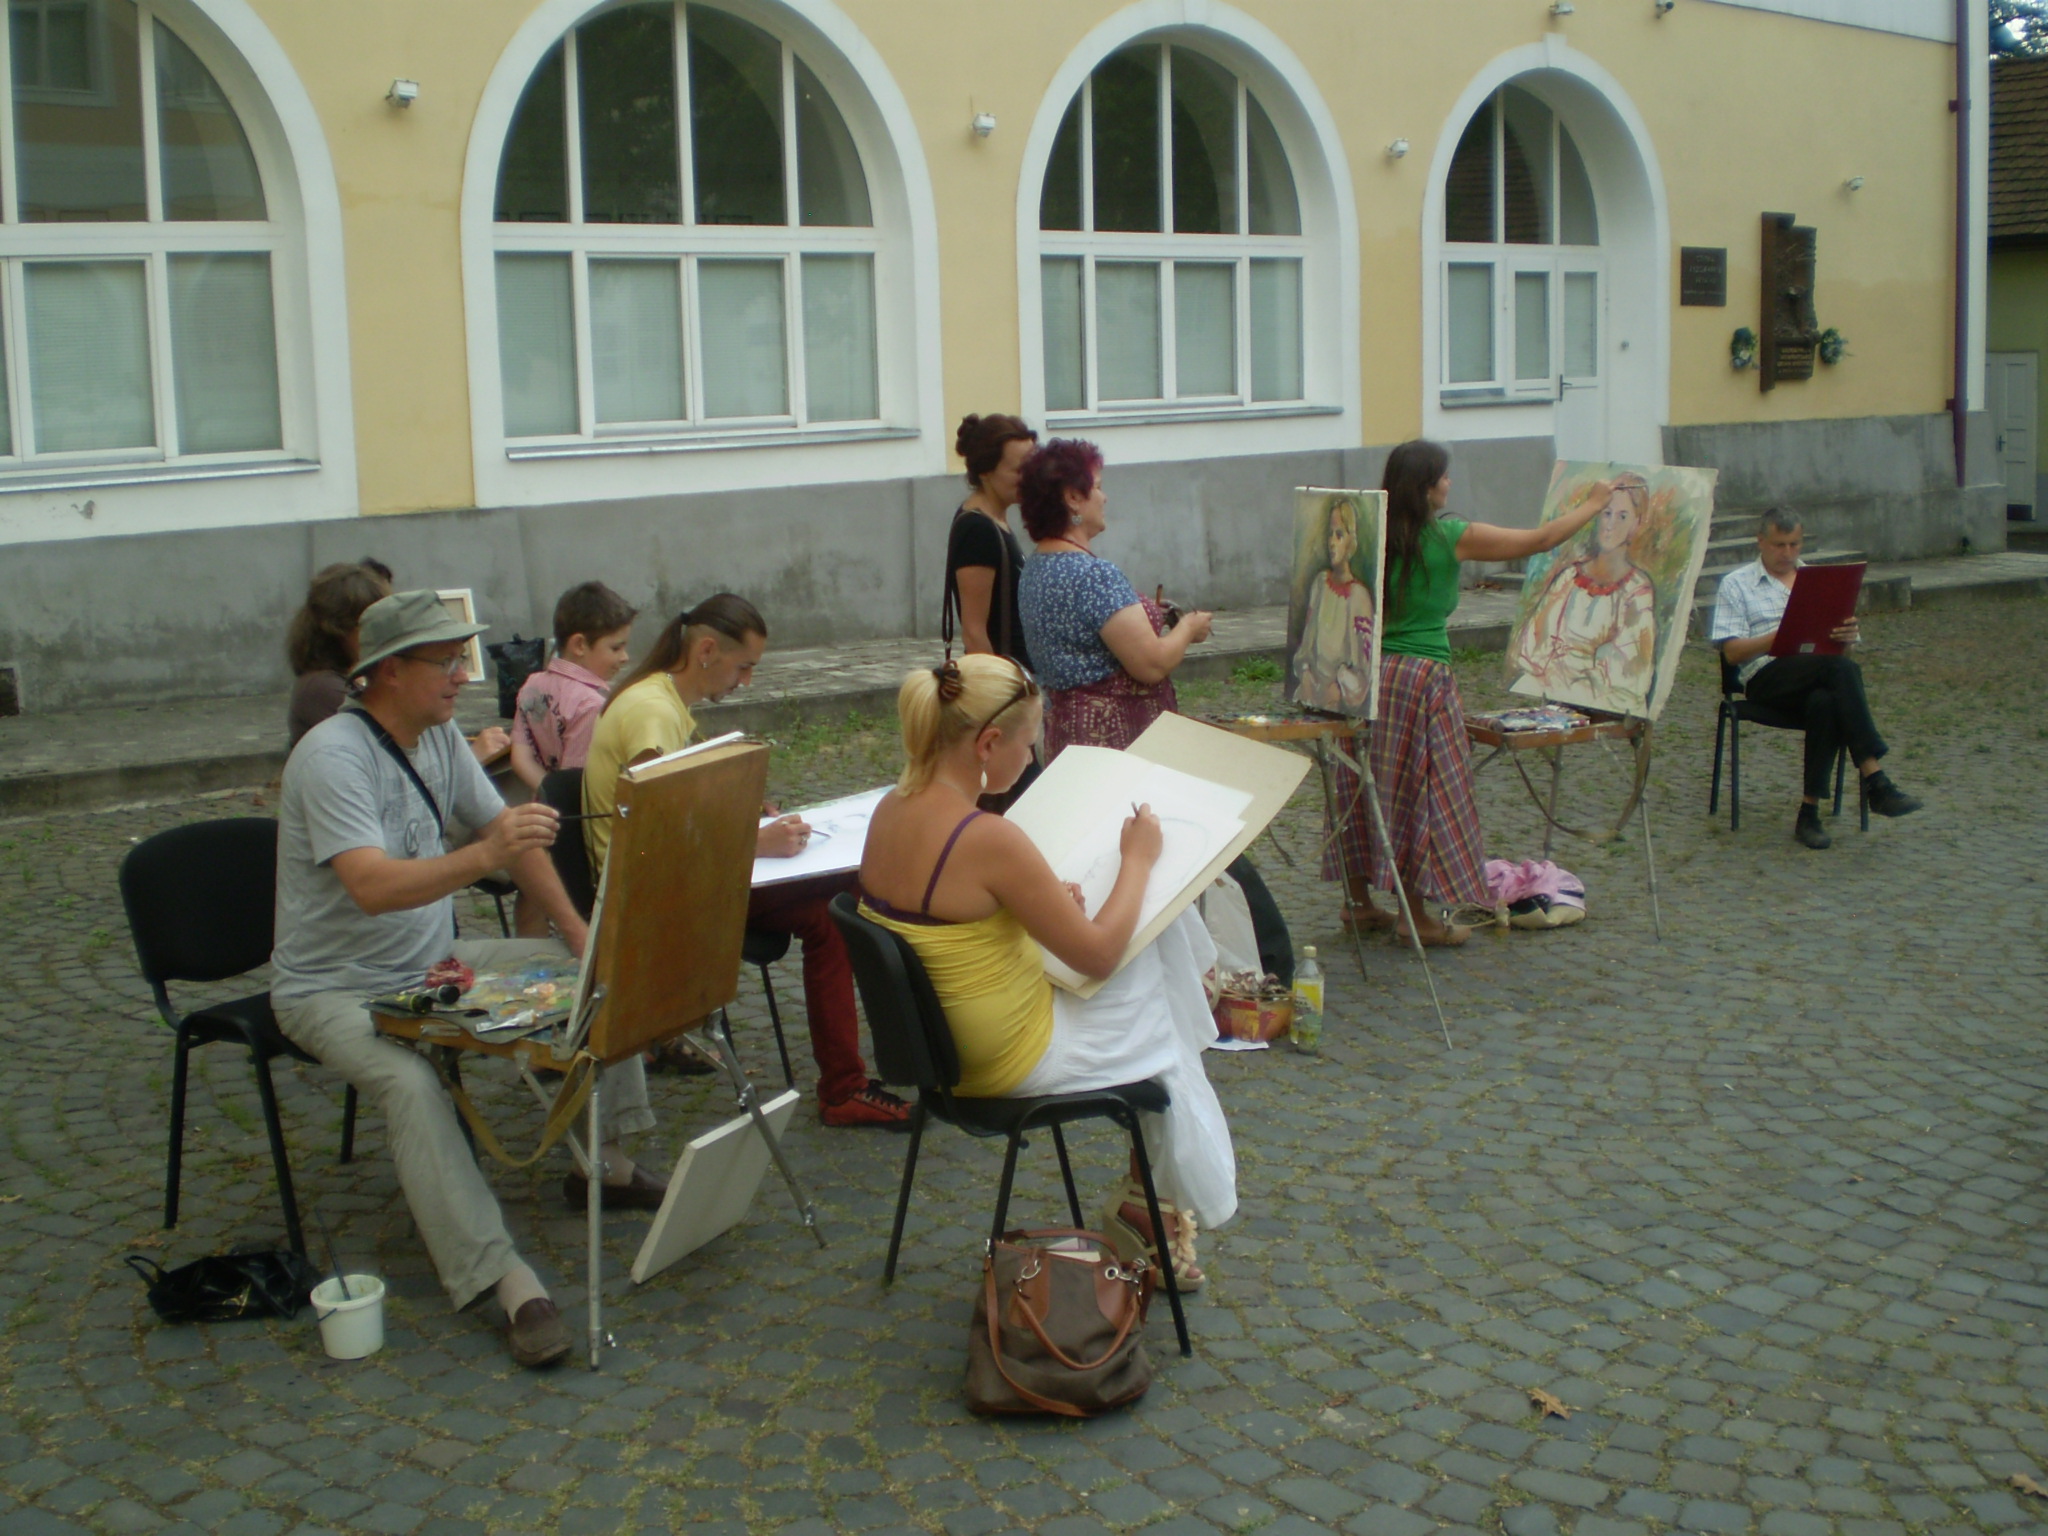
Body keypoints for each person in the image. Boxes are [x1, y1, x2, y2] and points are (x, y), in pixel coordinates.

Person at [270, 591, 670, 1371]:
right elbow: (373, 887)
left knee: (592, 973)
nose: (462, 675)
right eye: (444, 661)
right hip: (331, 989)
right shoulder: (330, 757)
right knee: (410, 1085)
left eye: (462, 657)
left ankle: (608, 1160)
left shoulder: (439, 737)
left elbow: (507, 837)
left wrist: (578, 932)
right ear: (386, 673)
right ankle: (503, 1278)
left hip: (430, 968)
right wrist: (486, 858)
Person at [858, 654, 1232, 1288]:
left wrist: (1037, 903)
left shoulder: (891, 809)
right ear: (988, 743)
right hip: (1002, 1058)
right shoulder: (985, 837)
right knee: (1165, 1001)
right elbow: (1098, 955)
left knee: (1163, 981)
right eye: (1029, 743)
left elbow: (957, 922)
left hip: (937, 1054)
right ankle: (1149, 1213)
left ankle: (1152, 1201)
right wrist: (1137, 861)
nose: (1031, 761)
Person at [582, 594, 913, 1128]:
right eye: (744, 668)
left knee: (834, 911)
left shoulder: (661, 700)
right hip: (652, 895)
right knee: (843, 904)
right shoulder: (653, 712)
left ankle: (851, 1079)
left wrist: (744, 811)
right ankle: (851, 1082)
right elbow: (653, 834)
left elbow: (685, 803)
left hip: (672, 879)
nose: (745, 682)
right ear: (707, 650)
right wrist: (754, 839)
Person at [1333, 440, 1605, 947]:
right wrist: (1593, 504)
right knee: (1418, 795)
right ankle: (1417, 918)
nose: (1449, 484)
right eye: (1444, 476)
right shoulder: (1447, 535)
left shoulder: (1366, 533)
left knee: (1364, 785)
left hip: (1366, 673)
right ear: (1426, 486)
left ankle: (1358, 904)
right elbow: (1539, 539)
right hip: (1421, 677)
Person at [1710, 508, 1923, 849]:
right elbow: (1732, 654)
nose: (1789, 553)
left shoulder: (1817, 581)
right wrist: (1781, 636)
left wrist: (1846, 637)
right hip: (1766, 676)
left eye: (1795, 544)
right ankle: (1875, 780)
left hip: (1817, 673)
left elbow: (1841, 657)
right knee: (1840, 672)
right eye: (1780, 545)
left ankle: (1809, 813)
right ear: (1761, 542)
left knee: (1826, 699)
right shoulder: (1737, 584)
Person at [1016, 438, 1213, 761]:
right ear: (1073, 499)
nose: (1105, 497)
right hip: (1113, 745)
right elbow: (1151, 664)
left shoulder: (1035, 567)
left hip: (1064, 737)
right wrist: (1189, 628)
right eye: (1098, 487)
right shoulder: (1094, 575)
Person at [1507, 472, 1659, 712]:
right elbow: (1536, 640)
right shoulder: (1570, 577)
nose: (1610, 524)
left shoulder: (1635, 590)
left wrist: (1584, 676)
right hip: (1554, 681)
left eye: (1622, 516)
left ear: (1637, 523)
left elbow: (1631, 667)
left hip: (1604, 694)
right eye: (1606, 513)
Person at [509, 581, 637, 793]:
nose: (625, 657)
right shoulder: (591, 705)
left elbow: (520, 759)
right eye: (616, 648)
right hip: (582, 818)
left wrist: (550, 796)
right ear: (579, 645)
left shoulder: (533, 685)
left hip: (544, 813)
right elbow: (577, 784)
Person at [943, 413, 1038, 665]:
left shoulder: (996, 520)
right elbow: (974, 633)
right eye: (1018, 470)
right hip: (1006, 684)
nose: (1029, 477)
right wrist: (995, 690)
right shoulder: (978, 530)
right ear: (986, 471)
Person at [286, 563, 390, 746]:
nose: (380, 635)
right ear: (339, 628)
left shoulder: (351, 676)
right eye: (369, 626)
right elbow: (387, 740)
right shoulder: (321, 688)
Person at [1292, 495, 1377, 714]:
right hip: (1313, 692)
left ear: (1351, 541)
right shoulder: (1320, 584)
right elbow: (1307, 643)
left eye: (1339, 535)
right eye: (1330, 534)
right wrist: (1306, 673)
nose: (1332, 542)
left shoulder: (1358, 596)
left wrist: (1340, 685)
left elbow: (1363, 667)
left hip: (1339, 697)